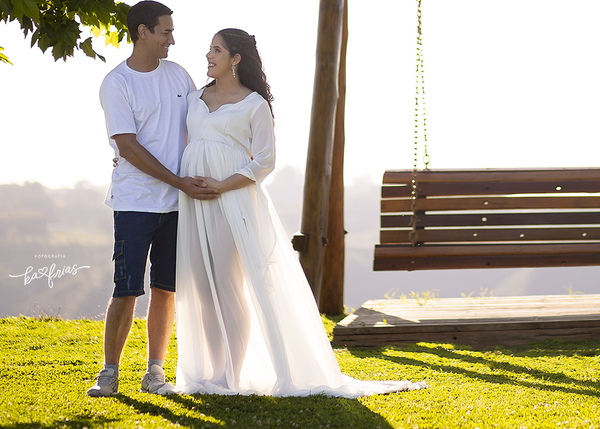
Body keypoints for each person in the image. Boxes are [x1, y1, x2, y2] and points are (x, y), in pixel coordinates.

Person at [175, 29, 425, 397]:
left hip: (233, 201)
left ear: (236, 58)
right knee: (202, 288)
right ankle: (212, 371)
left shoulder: (254, 104)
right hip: (193, 201)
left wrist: (221, 186)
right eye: (210, 49)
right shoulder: (194, 98)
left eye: (216, 50)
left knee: (229, 287)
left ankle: (232, 373)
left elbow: (265, 162)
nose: (208, 55)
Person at [88, 0, 219, 398]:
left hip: (178, 206)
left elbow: (206, 119)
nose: (172, 40)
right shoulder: (117, 83)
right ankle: (109, 373)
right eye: (166, 32)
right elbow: (126, 145)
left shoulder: (179, 76)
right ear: (142, 31)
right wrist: (179, 181)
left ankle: (154, 372)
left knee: (165, 289)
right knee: (126, 289)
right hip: (135, 202)